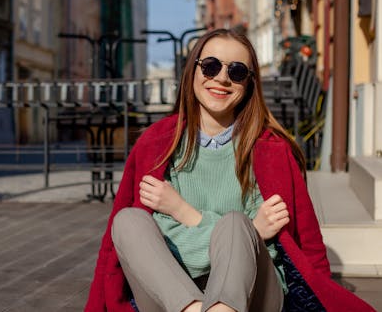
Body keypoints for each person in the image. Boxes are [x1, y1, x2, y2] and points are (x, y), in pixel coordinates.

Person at [84, 28, 375, 312]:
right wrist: (253, 233)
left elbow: (274, 249)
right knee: (128, 222)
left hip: (254, 296)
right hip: (170, 296)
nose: (221, 78)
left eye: (236, 72)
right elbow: (144, 248)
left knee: (236, 225)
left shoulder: (269, 151)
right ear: (193, 71)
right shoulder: (158, 145)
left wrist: (185, 213)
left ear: (249, 83)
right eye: (210, 66)